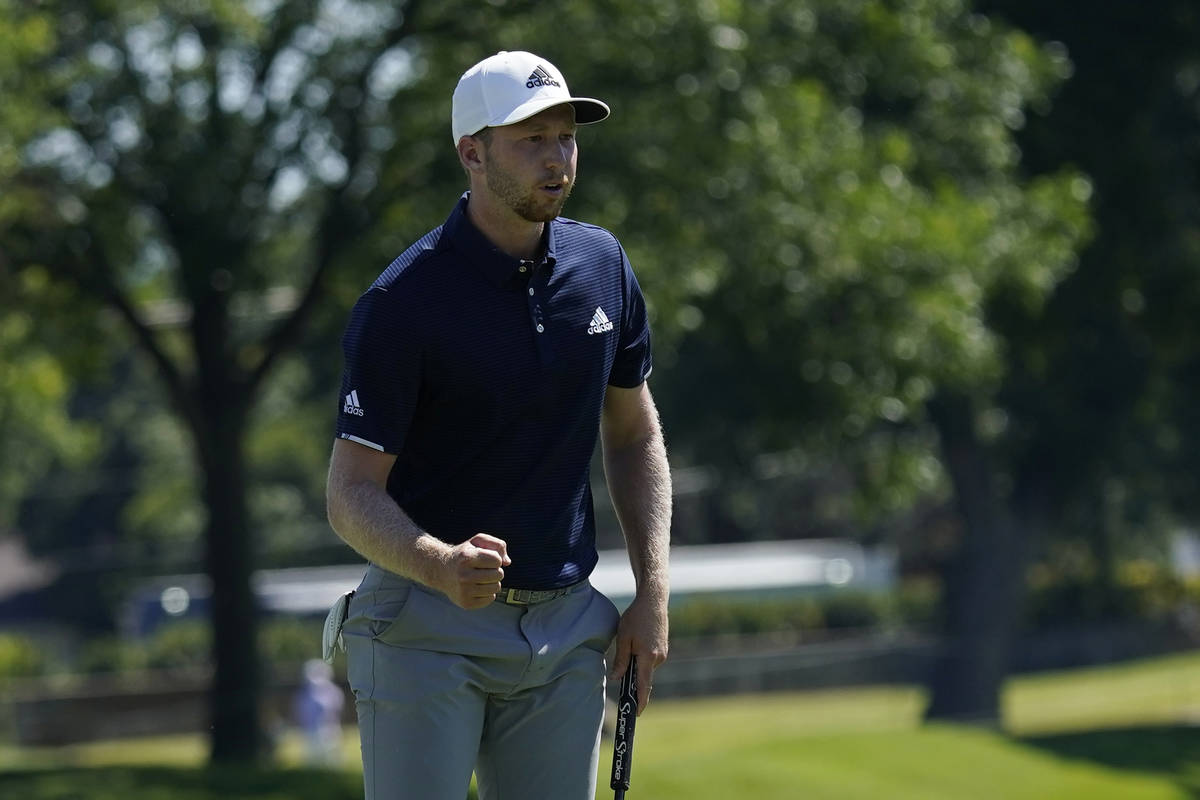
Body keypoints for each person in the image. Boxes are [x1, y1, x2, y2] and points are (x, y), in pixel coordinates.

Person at [324, 50, 672, 800]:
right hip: (424, 624)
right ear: (472, 154)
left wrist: (652, 591)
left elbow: (634, 433)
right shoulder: (402, 303)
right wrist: (439, 562)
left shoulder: (603, 265)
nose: (558, 160)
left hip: (566, 626)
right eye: (531, 140)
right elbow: (350, 493)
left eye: (566, 138)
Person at [292, 658, 345, 765]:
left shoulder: (333, 691)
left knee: (331, 760)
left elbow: (336, 709)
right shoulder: (304, 694)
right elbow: (300, 712)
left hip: (329, 730)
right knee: (313, 760)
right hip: (311, 731)